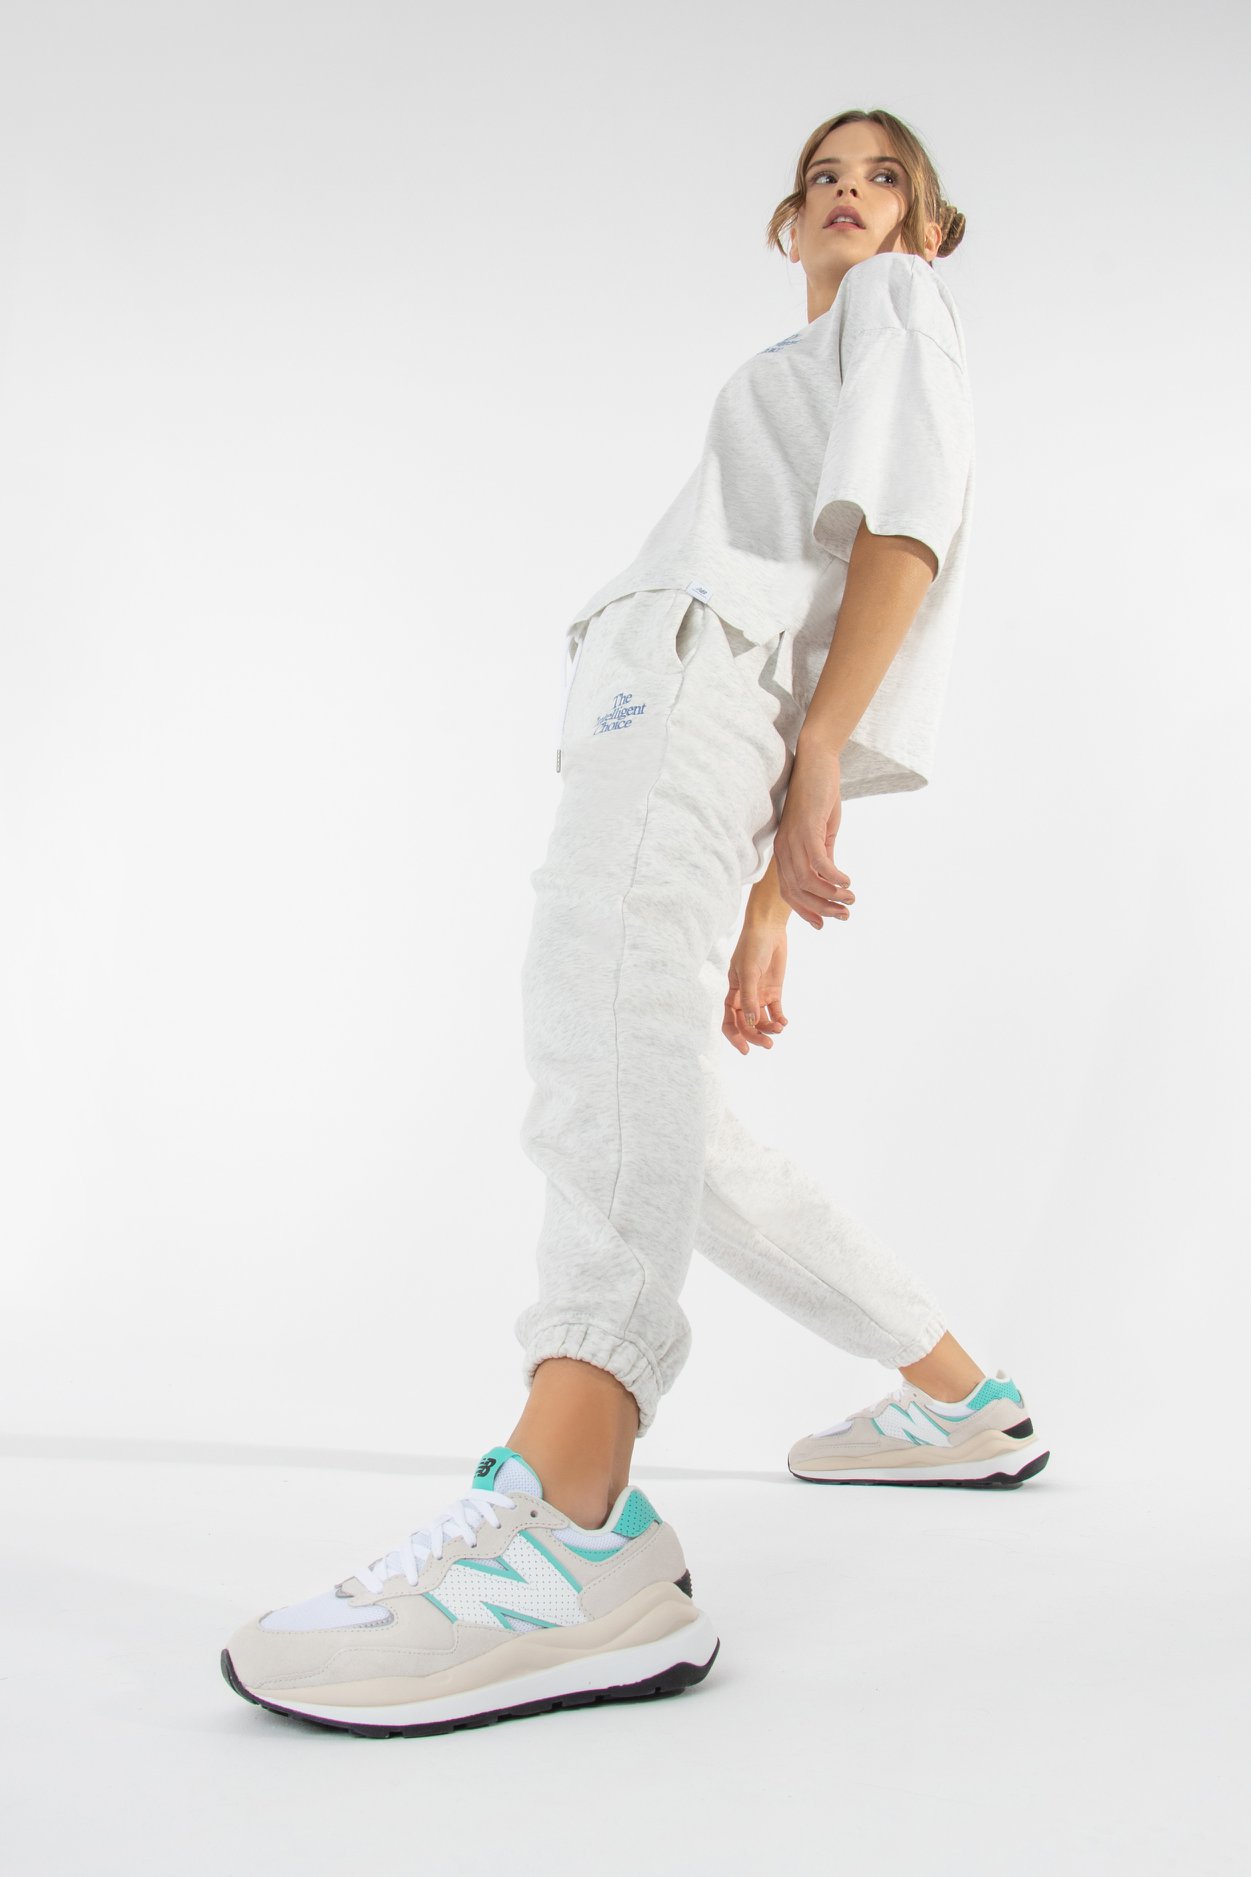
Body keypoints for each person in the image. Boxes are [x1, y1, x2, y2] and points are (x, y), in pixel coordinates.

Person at [220, 107, 1049, 1739]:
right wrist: (768, 894)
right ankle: (965, 1397)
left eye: (885, 178)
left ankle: (575, 1522)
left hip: (687, 688)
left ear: (930, 228)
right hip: (692, 705)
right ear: (785, 226)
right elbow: (825, 598)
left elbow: (906, 526)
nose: (850, 194)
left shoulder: (899, 307)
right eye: (823, 179)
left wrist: (817, 759)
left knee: (597, 1040)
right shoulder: (810, 363)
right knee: (669, 1109)